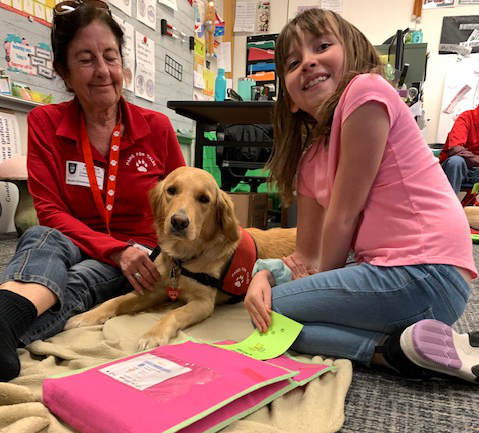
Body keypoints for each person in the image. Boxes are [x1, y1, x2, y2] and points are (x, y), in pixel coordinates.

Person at [244, 8, 479, 384]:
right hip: (401, 279)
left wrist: (307, 290)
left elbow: (343, 217)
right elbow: (306, 255)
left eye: (322, 46)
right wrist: (264, 278)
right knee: (268, 311)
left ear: (352, 56)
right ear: (288, 98)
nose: (308, 62)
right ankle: (400, 352)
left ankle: (381, 351)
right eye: (293, 62)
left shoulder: (365, 91)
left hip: (428, 272)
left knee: (279, 314)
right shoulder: (309, 161)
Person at [0, 0, 185, 382]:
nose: (103, 71)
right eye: (86, 59)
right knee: (40, 235)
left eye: (110, 56)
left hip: (138, 251)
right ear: (64, 72)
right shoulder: (45, 122)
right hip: (71, 236)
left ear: (122, 64)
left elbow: (182, 203)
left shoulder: (158, 127)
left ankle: (7, 327)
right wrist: (113, 249)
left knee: (82, 277)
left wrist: (140, 255)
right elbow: (49, 211)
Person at [439, 105, 479, 194]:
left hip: (477, 171)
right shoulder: (466, 117)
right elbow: (455, 149)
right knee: (456, 161)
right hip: (460, 168)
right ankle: (448, 206)